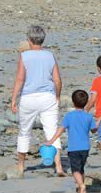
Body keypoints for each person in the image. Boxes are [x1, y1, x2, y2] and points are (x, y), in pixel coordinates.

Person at [10, 25, 64, 176]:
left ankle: (21, 165)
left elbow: (20, 79)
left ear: (29, 40)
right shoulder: (50, 55)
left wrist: (14, 98)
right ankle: (59, 166)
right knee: (52, 131)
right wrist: (57, 96)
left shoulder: (25, 56)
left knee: (24, 132)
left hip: (29, 97)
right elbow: (57, 80)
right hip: (47, 97)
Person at [47, 90, 97, 193]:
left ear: (73, 103)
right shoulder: (88, 117)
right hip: (85, 148)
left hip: (73, 148)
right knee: (81, 169)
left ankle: (81, 185)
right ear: (86, 102)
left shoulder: (69, 116)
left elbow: (61, 129)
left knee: (75, 170)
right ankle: (81, 190)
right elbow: (94, 130)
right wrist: (99, 121)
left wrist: (52, 140)